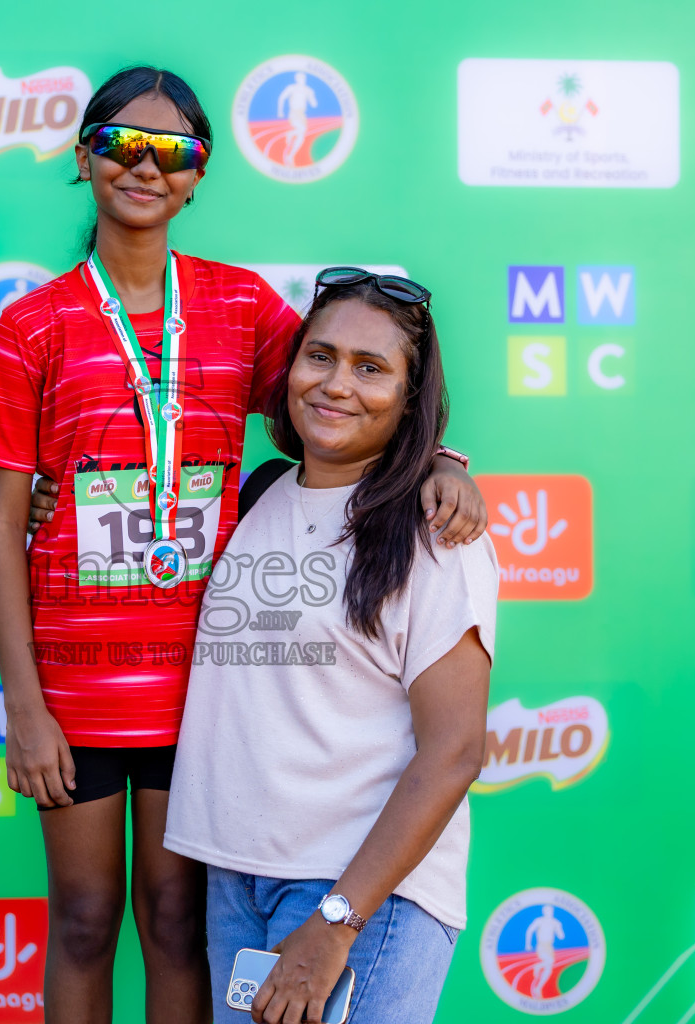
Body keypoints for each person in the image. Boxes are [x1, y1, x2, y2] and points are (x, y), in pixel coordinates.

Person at [0, 66, 486, 1023]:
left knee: (173, 920)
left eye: (176, 152)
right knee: (82, 920)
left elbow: (353, 387)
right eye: (124, 142)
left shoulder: (241, 306)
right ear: (84, 157)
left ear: (199, 176)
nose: (147, 166)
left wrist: (444, 458)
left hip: (196, 689)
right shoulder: (32, 325)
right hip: (76, 684)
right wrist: (25, 707)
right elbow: (2, 522)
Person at [164, 270, 498, 1023]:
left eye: (371, 368)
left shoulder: (434, 533)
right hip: (237, 882)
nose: (337, 384)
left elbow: (455, 751)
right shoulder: (256, 495)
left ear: (409, 400)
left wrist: (337, 920)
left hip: (355, 896)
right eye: (322, 356)